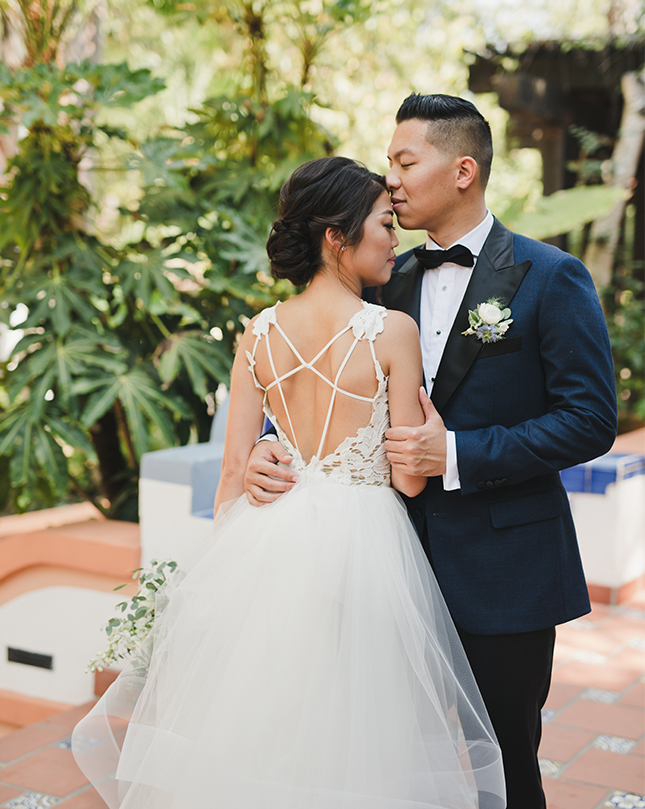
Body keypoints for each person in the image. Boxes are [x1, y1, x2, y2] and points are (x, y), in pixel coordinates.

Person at [72, 156, 506, 809]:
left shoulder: (259, 332)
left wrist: (235, 552)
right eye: (383, 224)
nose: (395, 238)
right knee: (360, 729)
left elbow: (231, 473)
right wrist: (428, 441)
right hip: (366, 545)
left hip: (269, 537)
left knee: (265, 718)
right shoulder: (393, 331)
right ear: (338, 237)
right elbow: (410, 483)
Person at [244, 96, 618, 809]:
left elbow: (590, 419)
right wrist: (271, 449)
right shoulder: (387, 277)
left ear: (464, 170)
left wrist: (458, 452)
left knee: (507, 763)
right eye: (388, 162)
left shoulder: (549, 276)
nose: (390, 179)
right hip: (388, 565)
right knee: (392, 760)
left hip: (506, 570)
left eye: (405, 161)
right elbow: (327, 382)